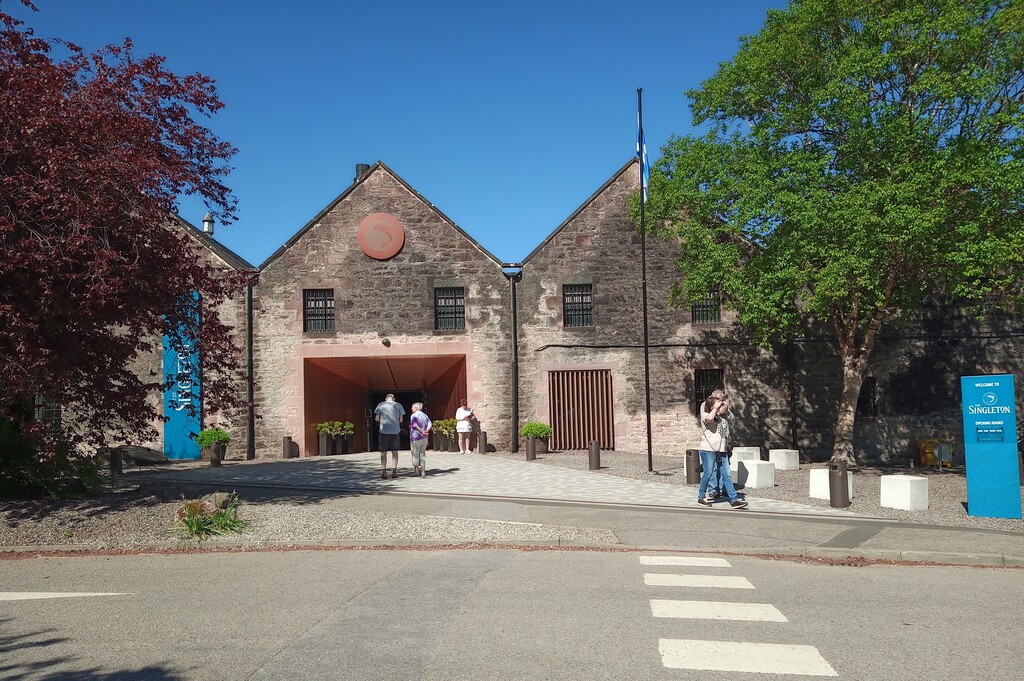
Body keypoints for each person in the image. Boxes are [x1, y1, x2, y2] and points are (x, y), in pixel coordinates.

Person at [696, 389, 747, 509]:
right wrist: (715, 408)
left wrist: (725, 409)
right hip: (708, 450)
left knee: (727, 475)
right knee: (708, 474)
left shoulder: (722, 418)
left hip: (722, 451)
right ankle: (701, 497)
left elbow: (731, 420)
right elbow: (709, 419)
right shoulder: (705, 415)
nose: (721, 404)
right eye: (718, 403)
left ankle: (734, 500)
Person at [374, 393, 405, 479]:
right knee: (395, 452)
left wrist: (383, 421)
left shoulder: (381, 405)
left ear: (386, 398)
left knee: (383, 452)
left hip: (383, 431)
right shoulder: (399, 405)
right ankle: (394, 471)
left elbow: (376, 418)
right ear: (394, 398)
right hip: (395, 431)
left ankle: (384, 472)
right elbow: (401, 419)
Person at [408, 402, 431, 477]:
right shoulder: (425, 415)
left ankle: (416, 471)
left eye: (412, 407)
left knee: (415, 454)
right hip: (424, 438)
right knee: (422, 453)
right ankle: (423, 471)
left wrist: (422, 431)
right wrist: (426, 431)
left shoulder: (414, 415)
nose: (411, 409)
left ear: (416, 408)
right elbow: (430, 424)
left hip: (416, 437)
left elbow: (415, 425)